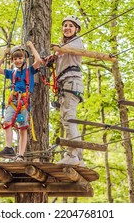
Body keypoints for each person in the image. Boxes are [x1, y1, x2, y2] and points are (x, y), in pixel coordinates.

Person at [0, 40, 42, 161]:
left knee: (22, 128)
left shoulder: (29, 71)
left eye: (20, 58)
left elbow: (39, 61)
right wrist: (4, 56)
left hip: (24, 103)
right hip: (13, 101)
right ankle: (9, 148)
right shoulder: (11, 73)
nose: (18, 61)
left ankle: (20, 154)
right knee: (6, 122)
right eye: (15, 59)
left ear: (24, 58)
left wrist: (31, 46)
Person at [52, 15, 84, 166]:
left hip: (71, 83)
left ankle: (72, 155)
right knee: (69, 119)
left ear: (76, 29)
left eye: (71, 25)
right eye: (65, 25)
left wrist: (59, 50)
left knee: (68, 119)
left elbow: (71, 49)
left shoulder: (76, 41)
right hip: (67, 84)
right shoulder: (63, 47)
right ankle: (78, 158)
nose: (67, 28)